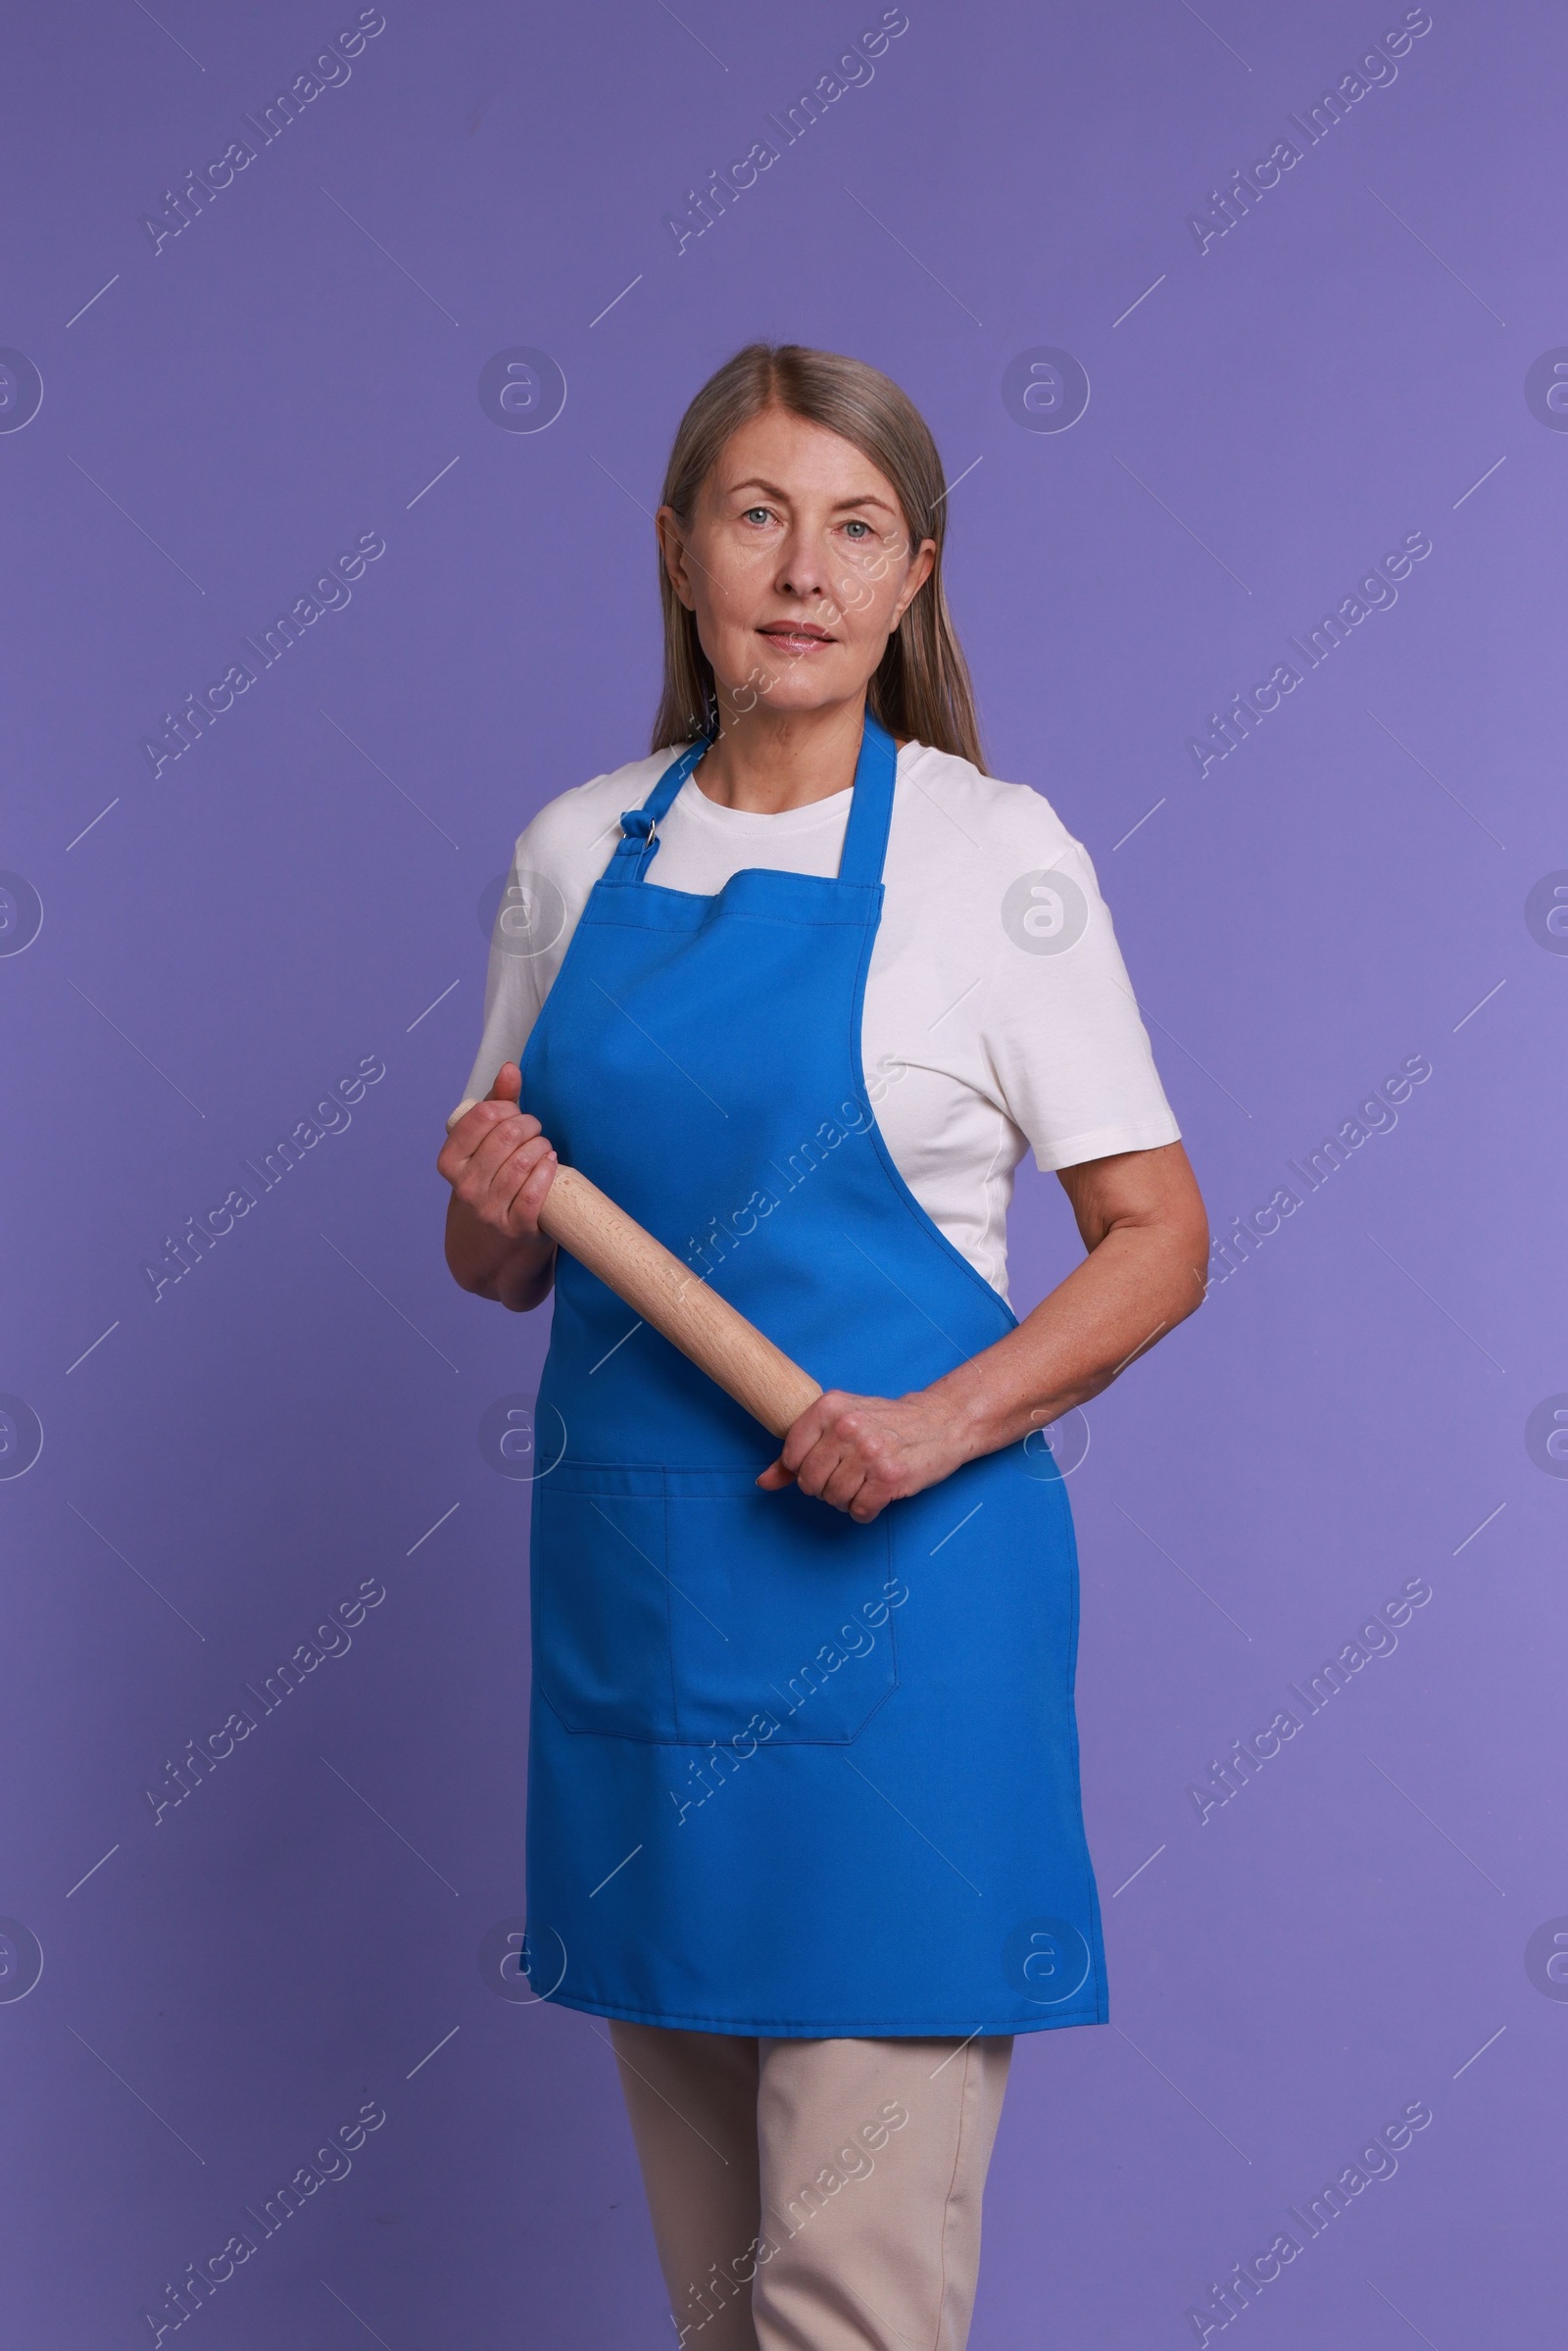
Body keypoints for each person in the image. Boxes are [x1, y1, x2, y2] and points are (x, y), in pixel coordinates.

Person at [438, 342, 1208, 2351]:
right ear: (679, 550)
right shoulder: (569, 853)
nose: (800, 568)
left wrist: (935, 1423)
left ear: (913, 576)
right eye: (756, 513)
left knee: (840, 2319)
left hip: (900, 1651)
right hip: (639, 1641)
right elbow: (495, 1267)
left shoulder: (989, 858)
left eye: (852, 527)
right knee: (717, 2316)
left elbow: (1156, 1241)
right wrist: (490, 1195)